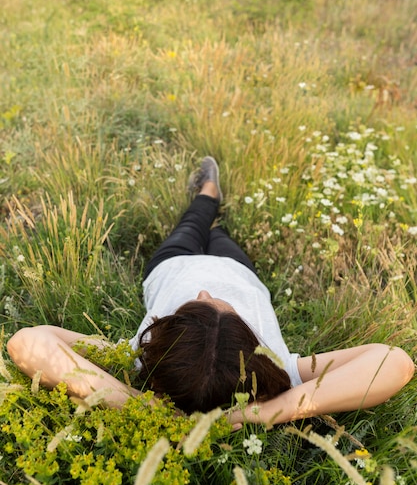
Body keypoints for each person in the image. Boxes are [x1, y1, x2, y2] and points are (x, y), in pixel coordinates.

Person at [7, 157, 415, 429]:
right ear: (248, 340)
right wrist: (275, 410)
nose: (204, 291)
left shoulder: (141, 357)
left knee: (192, 225)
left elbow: (28, 343)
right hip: (238, 270)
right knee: (218, 233)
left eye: (197, 305)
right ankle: (212, 207)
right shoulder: (274, 367)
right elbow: (395, 362)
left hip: (172, 264)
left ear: (163, 336)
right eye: (222, 307)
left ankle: (207, 200)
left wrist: (133, 401)